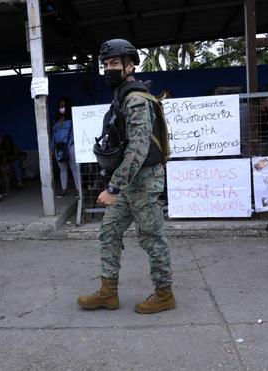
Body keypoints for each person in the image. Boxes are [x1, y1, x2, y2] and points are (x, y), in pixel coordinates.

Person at [77, 39, 174, 314]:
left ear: (130, 65)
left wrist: (114, 187)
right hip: (129, 181)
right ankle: (108, 292)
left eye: (115, 64)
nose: (109, 68)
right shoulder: (121, 95)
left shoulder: (135, 99)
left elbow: (138, 148)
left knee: (151, 237)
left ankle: (165, 293)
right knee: (109, 231)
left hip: (142, 181)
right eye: (106, 64)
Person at [51, 97, 80, 198]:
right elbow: (53, 136)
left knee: (74, 168)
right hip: (59, 147)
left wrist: (68, 146)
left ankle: (78, 190)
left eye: (63, 106)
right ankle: (64, 190)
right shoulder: (55, 120)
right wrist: (52, 148)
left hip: (70, 146)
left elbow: (74, 134)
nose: (61, 108)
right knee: (62, 169)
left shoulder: (72, 119)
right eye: (59, 106)